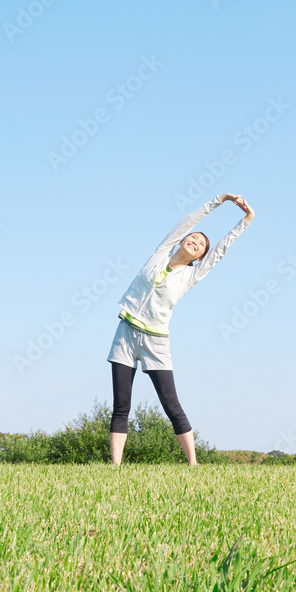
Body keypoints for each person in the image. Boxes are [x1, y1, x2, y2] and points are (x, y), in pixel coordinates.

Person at [106, 192, 255, 466]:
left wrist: (246, 220)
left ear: (200, 257)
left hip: (156, 342)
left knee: (171, 405)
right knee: (120, 406)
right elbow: (188, 221)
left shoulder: (192, 275)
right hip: (125, 334)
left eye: (200, 245)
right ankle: (115, 466)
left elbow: (221, 249)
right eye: (194, 238)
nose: (195, 241)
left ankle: (193, 465)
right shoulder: (160, 253)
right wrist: (218, 200)